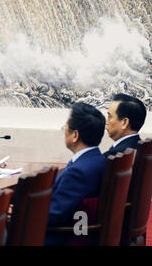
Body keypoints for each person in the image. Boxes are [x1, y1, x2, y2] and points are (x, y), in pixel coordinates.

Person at [45, 102, 107, 246]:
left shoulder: (78, 173)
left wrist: (20, 211)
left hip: (58, 238)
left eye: (65, 127)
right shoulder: (99, 160)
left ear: (75, 135)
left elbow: (53, 215)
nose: (64, 131)